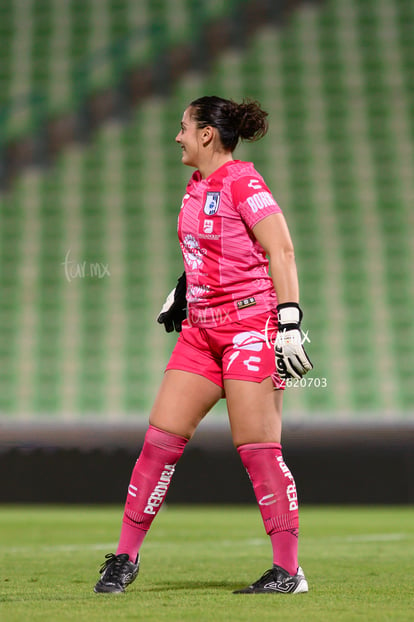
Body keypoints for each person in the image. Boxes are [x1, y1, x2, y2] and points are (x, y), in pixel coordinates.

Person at [94, 96, 312, 595]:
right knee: (158, 444)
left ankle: (288, 571)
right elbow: (213, 250)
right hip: (201, 334)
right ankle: (124, 559)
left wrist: (290, 322)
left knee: (257, 449)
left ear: (207, 135)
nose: (178, 137)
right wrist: (184, 288)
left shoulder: (242, 181)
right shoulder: (196, 187)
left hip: (249, 328)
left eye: (184, 127)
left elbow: (281, 249)